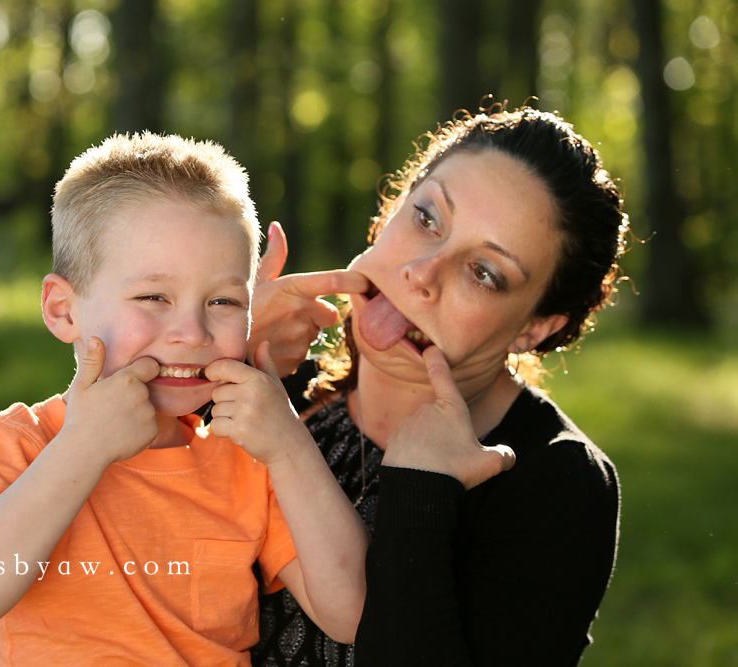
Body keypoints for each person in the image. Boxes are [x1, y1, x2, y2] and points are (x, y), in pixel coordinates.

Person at [0, 132, 369, 666]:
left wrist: (290, 444)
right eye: (154, 297)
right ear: (63, 310)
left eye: (223, 300)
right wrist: (83, 448)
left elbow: (353, 614)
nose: (191, 331)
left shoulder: (247, 461)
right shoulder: (20, 443)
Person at [249, 106, 626, 666]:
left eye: (484, 273)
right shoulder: (276, 378)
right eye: (427, 217)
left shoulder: (557, 482)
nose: (421, 274)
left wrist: (419, 494)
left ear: (534, 327)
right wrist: (204, 354)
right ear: (391, 209)